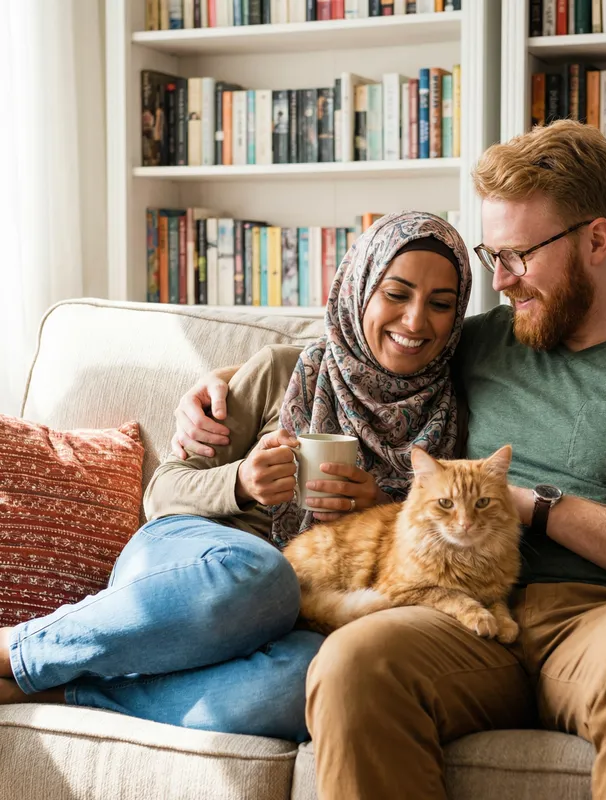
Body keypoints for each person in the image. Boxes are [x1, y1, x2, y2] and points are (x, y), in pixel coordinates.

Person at [173, 120, 606, 800]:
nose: (502, 281)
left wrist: (536, 507)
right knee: (355, 661)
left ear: (597, 240)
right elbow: (358, 348)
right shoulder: (479, 342)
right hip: (464, 611)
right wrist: (226, 388)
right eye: (492, 256)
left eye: (519, 256)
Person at [0, 211, 472, 745]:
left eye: (440, 304)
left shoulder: (451, 419)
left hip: (302, 609)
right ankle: (21, 648)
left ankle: (74, 693)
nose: (415, 321)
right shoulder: (283, 369)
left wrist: (384, 510)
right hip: (194, 560)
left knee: (314, 679)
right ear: (359, 288)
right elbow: (163, 491)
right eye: (396, 293)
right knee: (265, 576)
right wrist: (241, 481)